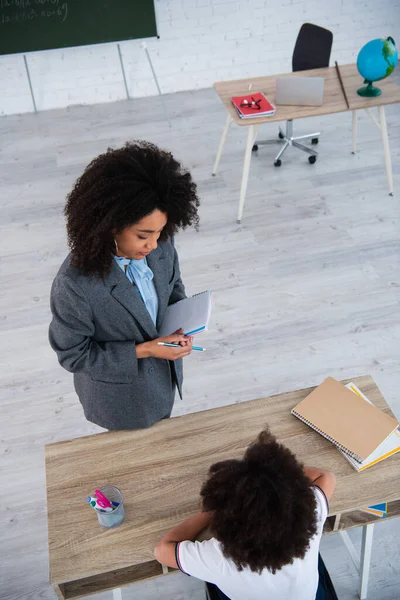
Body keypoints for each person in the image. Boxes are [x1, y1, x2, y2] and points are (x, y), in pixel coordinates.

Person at [49, 141, 200, 430]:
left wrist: (182, 322)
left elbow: (173, 284)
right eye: (143, 235)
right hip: (120, 401)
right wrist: (146, 350)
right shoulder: (73, 285)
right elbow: (74, 355)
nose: (154, 244)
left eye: (160, 232)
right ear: (111, 225)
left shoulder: (160, 242)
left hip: (162, 383)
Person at [154, 428, 336, 600]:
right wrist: (278, 476)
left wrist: (211, 511)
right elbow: (326, 477)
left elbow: (163, 550)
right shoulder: (312, 513)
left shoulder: (218, 559)